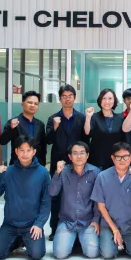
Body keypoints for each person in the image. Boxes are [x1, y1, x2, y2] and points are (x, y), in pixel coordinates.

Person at [0, 139, 51, 260]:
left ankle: (25, 239)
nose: (25, 154)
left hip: (31, 225)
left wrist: (39, 224)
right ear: (16, 151)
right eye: (21, 150)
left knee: (37, 255)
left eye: (28, 150)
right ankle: (18, 241)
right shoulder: (8, 171)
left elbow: (46, 201)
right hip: (10, 224)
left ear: (34, 152)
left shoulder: (42, 172)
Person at [91, 142, 131, 260]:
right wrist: (115, 229)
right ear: (112, 158)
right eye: (118, 157)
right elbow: (101, 206)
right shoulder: (103, 176)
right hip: (109, 223)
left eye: (126, 157)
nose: (122, 160)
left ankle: (125, 243)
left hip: (130, 223)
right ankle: (114, 241)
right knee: (107, 254)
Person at [46, 84, 86, 237]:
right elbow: (48, 140)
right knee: (56, 195)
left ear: (74, 98)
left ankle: (77, 225)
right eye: (64, 96)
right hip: (58, 162)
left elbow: (85, 141)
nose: (67, 99)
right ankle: (55, 228)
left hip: (77, 162)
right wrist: (55, 127)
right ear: (60, 99)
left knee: (77, 194)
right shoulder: (53, 118)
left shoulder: (81, 118)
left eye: (70, 96)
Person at [50, 141, 101, 260]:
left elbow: (98, 199)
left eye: (82, 153)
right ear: (70, 156)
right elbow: (52, 192)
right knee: (60, 254)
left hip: (87, 221)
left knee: (92, 253)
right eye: (75, 153)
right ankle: (74, 241)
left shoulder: (95, 172)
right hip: (67, 221)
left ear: (87, 155)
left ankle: (77, 242)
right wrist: (57, 172)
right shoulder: (63, 171)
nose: (79, 156)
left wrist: (96, 220)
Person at [0, 90, 47, 167]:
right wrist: (11, 128)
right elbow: (2, 141)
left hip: (36, 165)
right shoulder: (14, 123)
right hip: (17, 165)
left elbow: (43, 148)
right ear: (22, 104)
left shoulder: (40, 124)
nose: (33, 105)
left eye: (36, 104)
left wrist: (42, 165)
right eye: (30, 102)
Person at [85, 88, 126, 170]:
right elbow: (87, 132)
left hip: (115, 160)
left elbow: (123, 140)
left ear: (114, 101)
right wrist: (88, 117)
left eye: (110, 98)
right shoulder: (94, 117)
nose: (107, 101)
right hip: (98, 160)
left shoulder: (120, 118)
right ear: (100, 100)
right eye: (104, 98)